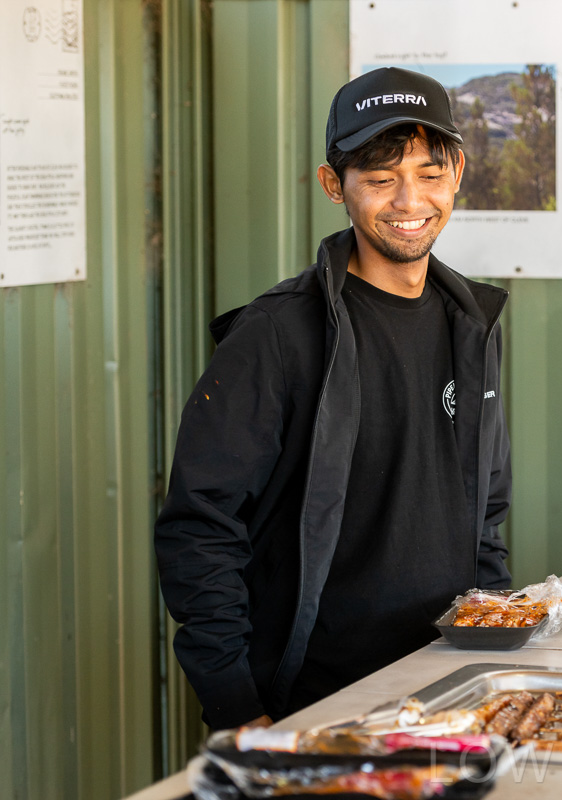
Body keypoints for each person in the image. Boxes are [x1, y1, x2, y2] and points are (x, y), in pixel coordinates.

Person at [155, 67, 513, 729]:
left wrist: (489, 651)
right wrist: (236, 705)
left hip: (449, 691)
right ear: (333, 185)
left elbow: (483, 517)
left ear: (458, 173)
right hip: (316, 705)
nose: (409, 199)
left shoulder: (472, 325)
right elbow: (200, 528)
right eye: (379, 179)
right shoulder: (275, 334)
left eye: (429, 173)